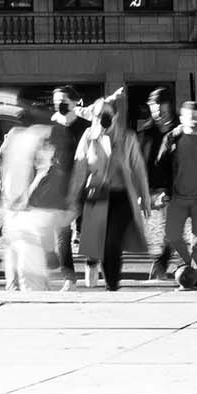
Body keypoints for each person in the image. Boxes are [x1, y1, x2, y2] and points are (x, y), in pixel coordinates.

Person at [76, 91, 154, 292]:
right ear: (94, 117)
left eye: (108, 113)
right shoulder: (88, 137)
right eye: (100, 114)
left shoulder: (127, 138)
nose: (104, 118)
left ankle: (112, 284)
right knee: (97, 241)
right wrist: (72, 198)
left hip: (121, 197)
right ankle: (92, 261)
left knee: (112, 241)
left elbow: (138, 168)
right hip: (97, 195)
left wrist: (145, 197)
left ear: (115, 115)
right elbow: (79, 167)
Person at [0, 93, 72, 290]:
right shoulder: (19, 135)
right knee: (22, 262)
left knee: (24, 263)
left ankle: (27, 296)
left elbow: (44, 170)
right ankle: (27, 295)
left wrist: (25, 197)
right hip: (18, 207)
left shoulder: (38, 135)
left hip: (24, 207)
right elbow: (4, 160)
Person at [150, 100, 197, 284]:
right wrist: (161, 191)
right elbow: (160, 166)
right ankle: (189, 266)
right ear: (182, 118)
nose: (195, 122)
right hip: (177, 198)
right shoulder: (172, 139)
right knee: (172, 234)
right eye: (191, 118)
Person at [47, 86, 93, 284]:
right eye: (56, 100)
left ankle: (93, 263)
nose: (59, 104)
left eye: (64, 100)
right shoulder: (51, 125)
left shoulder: (87, 126)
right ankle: (69, 277)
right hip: (60, 185)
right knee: (61, 230)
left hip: (85, 184)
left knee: (91, 230)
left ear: (75, 102)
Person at [134, 89, 174, 272]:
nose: (158, 109)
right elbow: (138, 164)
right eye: (154, 105)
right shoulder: (145, 132)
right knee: (147, 228)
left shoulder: (179, 129)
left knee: (170, 229)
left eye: (161, 104)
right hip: (150, 188)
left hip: (172, 188)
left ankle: (162, 262)